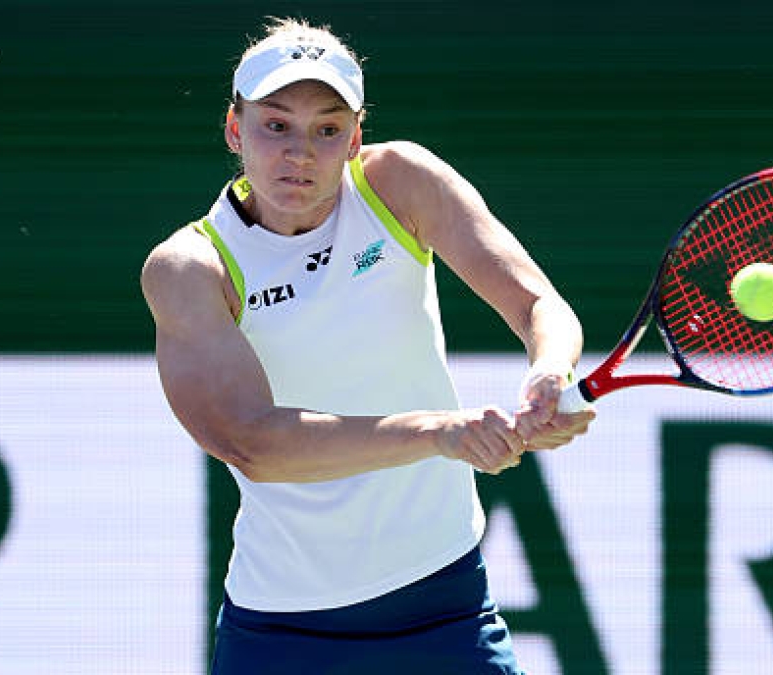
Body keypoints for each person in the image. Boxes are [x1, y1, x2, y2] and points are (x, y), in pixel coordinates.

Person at [140, 17, 595, 674]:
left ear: (356, 137)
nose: (301, 152)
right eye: (277, 125)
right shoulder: (191, 268)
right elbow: (254, 443)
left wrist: (550, 370)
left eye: (327, 129)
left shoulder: (399, 184)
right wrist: (440, 432)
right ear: (235, 129)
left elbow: (536, 304)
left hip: (447, 601)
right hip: (284, 629)